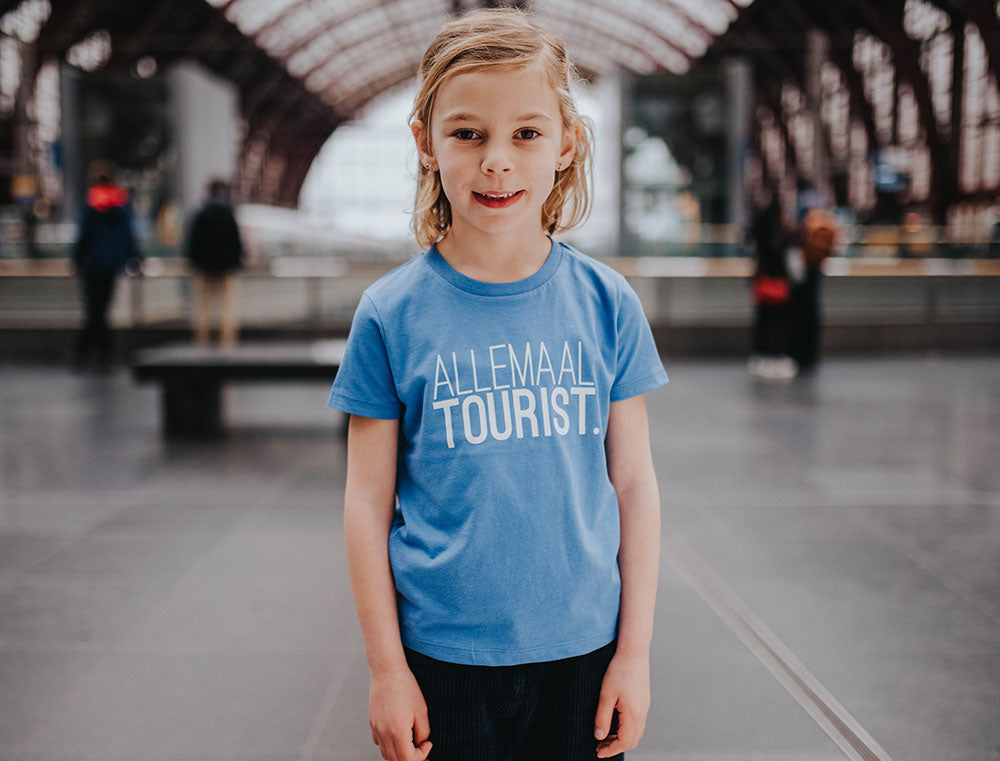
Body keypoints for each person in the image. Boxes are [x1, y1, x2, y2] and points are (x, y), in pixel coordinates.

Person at [327, 9, 668, 761]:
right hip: (443, 659)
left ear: (566, 142)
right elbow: (365, 501)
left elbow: (635, 483)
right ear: (425, 142)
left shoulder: (607, 303)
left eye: (526, 133)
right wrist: (387, 669)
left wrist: (635, 655)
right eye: (468, 132)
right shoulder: (390, 313)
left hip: (584, 650)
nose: (497, 162)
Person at [72, 159, 140, 369]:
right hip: (112, 263)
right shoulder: (122, 203)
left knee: (94, 309)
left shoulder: (91, 203)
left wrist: (76, 259)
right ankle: (103, 352)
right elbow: (129, 235)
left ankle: (88, 352)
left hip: (92, 263)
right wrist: (136, 258)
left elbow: (83, 235)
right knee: (101, 308)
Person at [184, 179, 244, 347]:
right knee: (227, 307)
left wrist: (194, 261)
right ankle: (228, 342)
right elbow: (236, 243)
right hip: (226, 267)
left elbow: (193, 241)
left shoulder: (200, 213)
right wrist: (235, 263)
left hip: (204, 267)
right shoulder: (229, 214)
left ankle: (202, 341)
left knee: (202, 307)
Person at [747, 193, 797, 380]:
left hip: (763, 282)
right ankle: (773, 354)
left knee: (764, 321)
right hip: (776, 284)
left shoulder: (760, 230)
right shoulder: (778, 233)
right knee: (776, 322)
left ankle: (764, 354)